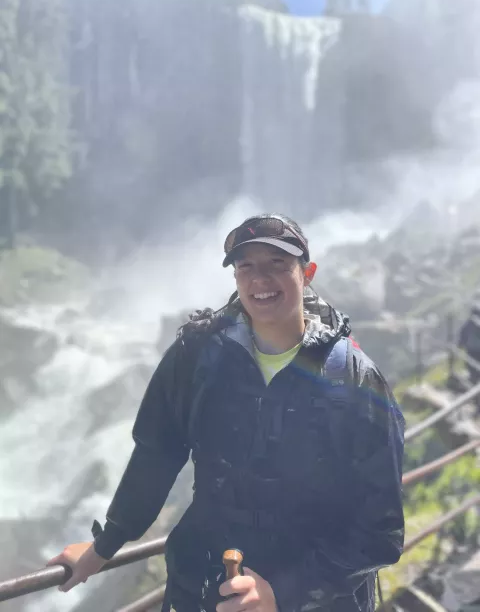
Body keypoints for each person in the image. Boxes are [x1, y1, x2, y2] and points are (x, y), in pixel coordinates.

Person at [48, 214, 405, 612]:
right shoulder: (198, 355)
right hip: (200, 588)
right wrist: (104, 546)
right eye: (245, 266)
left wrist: (283, 593)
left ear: (307, 272)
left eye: (277, 264)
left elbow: (380, 531)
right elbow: (157, 455)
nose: (260, 280)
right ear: (234, 276)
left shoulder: (355, 379)